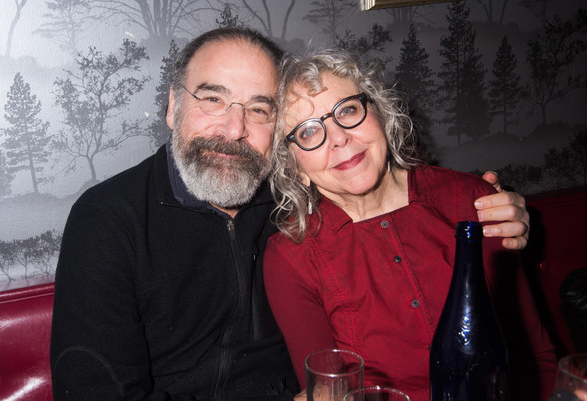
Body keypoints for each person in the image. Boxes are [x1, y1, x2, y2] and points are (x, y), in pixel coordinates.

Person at [50, 27, 530, 401]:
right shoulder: (107, 221)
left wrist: (499, 213)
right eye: (213, 99)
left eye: (259, 110)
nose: (235, 129)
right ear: (174, 106)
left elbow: (389, 200)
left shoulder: (289, 199)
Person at [263, 48, 558, 401]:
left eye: (348, 110)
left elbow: (534, 357)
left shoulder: (471, 201)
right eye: (309, 132)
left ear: (379, 112)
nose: (339, 137)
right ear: (295, 167)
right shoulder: (292, 257)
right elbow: (327, 389)